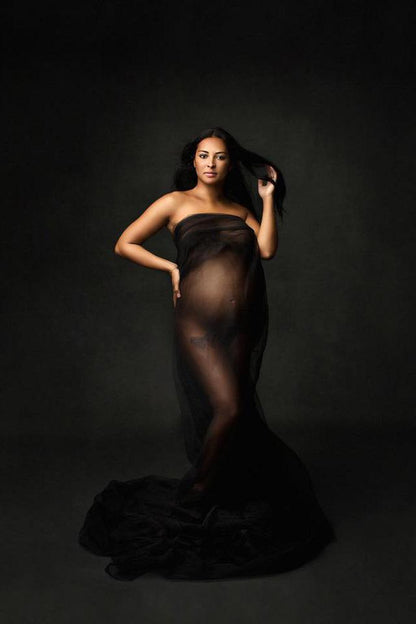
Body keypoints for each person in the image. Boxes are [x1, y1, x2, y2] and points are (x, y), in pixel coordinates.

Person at [78, 127, 336, 580]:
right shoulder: (174, 202)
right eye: (203, 155)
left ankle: (213, 483)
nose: (210, 163)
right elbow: (125, 243)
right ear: (192, 161)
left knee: (235, 414)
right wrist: (172, 267)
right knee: (230, 407)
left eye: (218, 157)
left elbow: (268, 250)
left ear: (229, 164)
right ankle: (194, 498)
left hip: (241, 325)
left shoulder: (240, 209)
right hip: (198, 324)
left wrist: (268, 199)